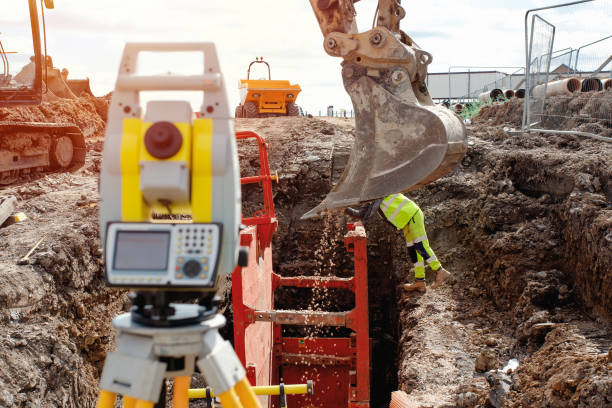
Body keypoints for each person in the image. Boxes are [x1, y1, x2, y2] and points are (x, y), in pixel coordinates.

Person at [345, 193, 450, 292]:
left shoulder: (378, 192)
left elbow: (372, 212)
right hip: (406, 222)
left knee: (420, 245)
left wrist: (363, 223)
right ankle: (420, 281)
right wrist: (345, 209)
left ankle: (440, 271)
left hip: (412, 215)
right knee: (413, 252)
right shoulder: (371, 198)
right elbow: (360, 214)